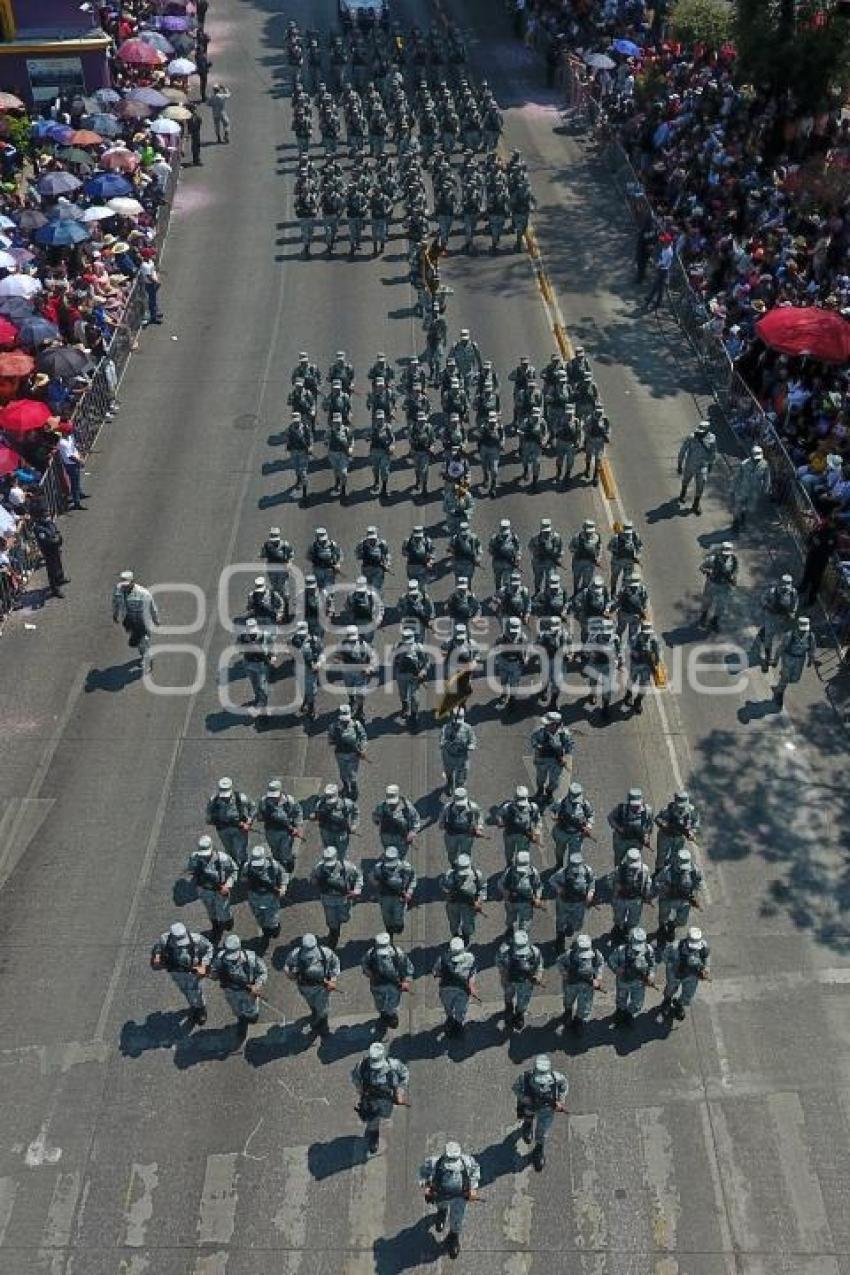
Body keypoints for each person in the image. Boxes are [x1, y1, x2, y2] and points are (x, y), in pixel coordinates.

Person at [419, 1141, 481, 1259]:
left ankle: (453, 1237)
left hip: (459, 1197)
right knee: (441, 1206)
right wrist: (426, 1186)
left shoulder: (467, 1161)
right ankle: (442, 1213)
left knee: (457, 1218)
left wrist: (473, 1188)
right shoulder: (434, 1162)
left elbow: (476, 1170)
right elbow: (423, 1172)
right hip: (441, 1195)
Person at [150, 921, 212, 1026]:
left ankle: (200, 1009)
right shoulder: (165, 939)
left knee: (195, 991)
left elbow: (209, 948)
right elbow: (158, 947)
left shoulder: (196, 939)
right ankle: (193, 1004)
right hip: (176, 972)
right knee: (185, 990)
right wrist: (157, 956)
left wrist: (204, 965)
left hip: (192, 971)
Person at [353, 1042, 410, 1155]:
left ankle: (375, 1124)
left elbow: (405, 1074)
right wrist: (360, 1089)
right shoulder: (362, 1065)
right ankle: (374, 1137)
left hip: (387, 1097)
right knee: (372, 1120)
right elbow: (355, 1077)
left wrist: (400, 1091)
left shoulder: (394, 1065)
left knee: (384, 1113)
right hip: (370, 1097)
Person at [512, 1056, 567, 1171]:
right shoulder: (525, 1077)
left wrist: (560, 1101)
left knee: (542, 1131)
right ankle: (527, 1127)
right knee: (528, 1117)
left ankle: (538, 1149)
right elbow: (515, 1088)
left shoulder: (556, 1078)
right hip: (530, 1105)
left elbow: (564, 1086)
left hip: (546, 1110)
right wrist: (523, 1098)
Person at [210, 933, 268, 1041]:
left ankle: (249, 1017)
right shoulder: (220, 958)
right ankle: (242, 1024)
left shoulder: (250, 957)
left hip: (249, 992)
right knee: (237, 1011)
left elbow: (263, 971)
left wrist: (257, 985)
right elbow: (214, 973)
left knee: (252, 1013)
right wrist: (213, 974)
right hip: (230, 991)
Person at [283, 932, 340, 1037]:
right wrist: (289, 974)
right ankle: (315, 1012)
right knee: (311, 1003)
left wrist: (333, 980)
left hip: (321, 987)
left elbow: (335, 963)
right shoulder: (295, 954)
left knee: (323, 1008)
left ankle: (323, 1025)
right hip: (304, 987)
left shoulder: (325, 953)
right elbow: (287, 965)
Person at [184, 835, 237, 942]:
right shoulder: (194, 857)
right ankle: (216, 928)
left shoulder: (222, 858)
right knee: (211, 911)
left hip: (220, 890)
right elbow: (190, 869)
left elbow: (234, 870)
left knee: (224, 912)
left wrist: (228, 885)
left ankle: (227, 921)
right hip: (204, 890)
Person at [310, 844, 363, 948]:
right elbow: (312, 878)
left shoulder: (346, 866)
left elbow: (359, 876)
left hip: (343, 898)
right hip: (327, 899)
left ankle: (336, 928)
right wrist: (316, 881)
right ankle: (333, 935)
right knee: (332, 922)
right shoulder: (319, 868)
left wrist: (357, 890)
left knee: (344, 918)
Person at [361, 931, 414, 1029]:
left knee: (393, 1004)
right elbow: (365, 967)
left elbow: (408, 967)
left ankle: (392, 1016)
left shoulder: (398, 953)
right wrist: (371, 974)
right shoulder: (370, 954)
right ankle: (383, 1014)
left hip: (394, 985)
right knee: (379, 1003)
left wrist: (406, 981)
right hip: (377, 985)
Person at [240, 844, 288, 952]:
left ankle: (272, 930)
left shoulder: (273, 865)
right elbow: (243, 878)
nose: (257, 867)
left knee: (272, 921)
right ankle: (266, 934)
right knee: (260, 919)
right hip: (255, 897)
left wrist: (283, 888)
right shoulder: (248, 866)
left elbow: (283, 875)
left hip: (270, 897)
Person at [497, 928, 544, 1030]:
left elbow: (539, 965)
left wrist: (538, 976)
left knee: (523, 1000)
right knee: (508, 995)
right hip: (510, 979)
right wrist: (504, 973)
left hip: (526, 982)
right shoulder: (504, 951)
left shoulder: (535, 952)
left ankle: (519, 1014)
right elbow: (498, 962)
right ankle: (509, 1008)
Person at [111, 570, 160, 668]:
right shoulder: (118, 590)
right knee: (138, 640)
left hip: (142, 620)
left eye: (127, 584)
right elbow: (115, 602)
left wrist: (155, 619)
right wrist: (115, 614)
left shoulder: (143, 593)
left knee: (143, 639)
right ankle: (144, 654)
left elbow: (152, 606)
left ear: (132, 582)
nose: (124, 586)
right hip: (128, 620)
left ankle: (147, 657)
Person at [608, 926, 656, 1026]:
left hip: (639, 983)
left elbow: (652, 964)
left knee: (637, 1004)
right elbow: (611, 960)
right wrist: (616, 969)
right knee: (621, 1000)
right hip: (623, 982)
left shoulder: (648, 950)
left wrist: (651, 975)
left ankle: (629, 1014)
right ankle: (620, 1012)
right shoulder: (621, 950)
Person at [550, 851, 596, 951]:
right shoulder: (562, 873)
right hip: (564, 902)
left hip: (579, 903)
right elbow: (552, 880)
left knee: (577, 922)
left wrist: (590, 893)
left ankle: (571, 926)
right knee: (561, 921)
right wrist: (559, 888)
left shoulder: (587, 871)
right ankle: (560, 939)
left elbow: (592, 881)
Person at [558, 933, 605, 1031]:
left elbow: (600, 964)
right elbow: (560, 962)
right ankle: (568, 1012)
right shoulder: (569, 954)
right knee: (568, 1001)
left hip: (587, 985)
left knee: (585, 1006)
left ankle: (578, 1021)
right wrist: (564, 973)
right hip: (571, 984)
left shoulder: (595, 954)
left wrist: (598, 978)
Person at [662, 926, 710, 1019]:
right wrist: (672, 969)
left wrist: (706, 970)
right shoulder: (674, 947)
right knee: (670, 989)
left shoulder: (703, 946)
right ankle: (667, 1001)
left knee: (688, 993)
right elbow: (665, 957)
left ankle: (679, 1004)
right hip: (675, 974)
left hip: (692, 975)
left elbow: (706, 958)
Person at [433, 937, 478, 1036]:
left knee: (448, 1006)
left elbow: (436, 972)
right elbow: (472, 972)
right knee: (461, 1008)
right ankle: (458, 1025)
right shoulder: (470, 958)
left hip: (446, 988)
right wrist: (471, 985)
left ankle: (450, 1019)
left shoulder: (443, 959)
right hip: (463, 989)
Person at [256, 779, 303, 873]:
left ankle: (288, 864)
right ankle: (278, 870)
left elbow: (298, 813)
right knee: (275, 852)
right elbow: (260, 815)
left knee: (285, 852)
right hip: (271, 831)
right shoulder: (264, 801)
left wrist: (298, 827)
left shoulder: (289, 801)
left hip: (286, 832)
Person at [206, 776, 255, 866]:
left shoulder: (240, 798)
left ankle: (242, 870)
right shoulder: (214, 800)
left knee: (240, 853)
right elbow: (208, 817)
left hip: (239, 830)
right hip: (223, 830)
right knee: (230, 852)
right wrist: (214, 819)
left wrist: (248, 821)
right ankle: (233, 870)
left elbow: (253, 808)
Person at [370, 845, 417, 937]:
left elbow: (413, 879)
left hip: (399, 897)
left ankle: (398, 926)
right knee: (386, 916)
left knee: (398, 917)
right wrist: (376, 885)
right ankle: (389, 930)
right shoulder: (378, 868)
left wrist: (409, 892)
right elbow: (372, 877)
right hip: (384, 897)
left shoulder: (405, 867)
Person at [529, 712, 574, 805]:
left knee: (555, 781)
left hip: (556, 762)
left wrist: (562, 754)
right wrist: (539, 747)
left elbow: (570, 747)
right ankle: (540, 790)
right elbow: (533, 741)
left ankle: (549, 792)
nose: (545, 725)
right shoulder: (539, 731)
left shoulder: (564, 734)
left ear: (556, 724)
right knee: (540, 778)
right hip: (542, 759)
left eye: (548, 724)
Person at [327, 703, 368, 800]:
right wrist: (337, 740)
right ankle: (345, 787)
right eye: (343, 719)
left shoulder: (356, 725)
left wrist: (362, 749)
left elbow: (363, 737)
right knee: (343, 772)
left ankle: (354, 788)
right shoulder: (333, 726)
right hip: (340, 754)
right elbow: (330, 740)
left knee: (352, 773)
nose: (344, 722)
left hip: (353, 754)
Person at [758, 574, 799, 669]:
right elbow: (763, 598)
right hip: (771, 618)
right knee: (768, 639)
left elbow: (795, 603)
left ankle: (775, 660)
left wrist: (793, 612)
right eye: (784, 584)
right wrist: (767, 606)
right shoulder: (772, 591)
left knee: (782, 642)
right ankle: (767, 659)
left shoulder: (793, 592)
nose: (785, 587)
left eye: (788, 584)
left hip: (783, 620)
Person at [774, 615, 816, 707]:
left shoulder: (810, 636)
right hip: (788, 658)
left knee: (794, 678)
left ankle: (780, 683)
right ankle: (779, 694)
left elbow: (812, 648)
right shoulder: (789, 635)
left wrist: (810, 659)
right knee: (785, 678)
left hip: (800, 660)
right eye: (802, 628)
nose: (803, 630)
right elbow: (781, 648)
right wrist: (776, 660)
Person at [551, 782, 595, 867]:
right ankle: (559, 865)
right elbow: (553, 810)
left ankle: (570, 871)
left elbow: (591, 815)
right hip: (562, 832)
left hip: (577, 834)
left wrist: (589, 827)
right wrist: (554, 817)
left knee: (574, 856)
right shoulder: (561, 802)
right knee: (559, 852)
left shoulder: (584, 804)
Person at [677, 421, 716, 516]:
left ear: (707, 430)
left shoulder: (712, 439)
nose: (700, 433)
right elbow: (683, 450)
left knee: (701, 485)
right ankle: (682, 494)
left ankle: (696, 504)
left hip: (702, 466)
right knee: (686, 480)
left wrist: (711, 465)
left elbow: (712, 453)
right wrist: (679, 464)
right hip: (690, 464)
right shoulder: (691, 437)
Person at [731, 445, 771, 532]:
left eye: (759, 458)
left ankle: (742, 520)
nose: (757, 460)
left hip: (754, 491)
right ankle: (736, 523)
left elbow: (767, 478)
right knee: (738, 507)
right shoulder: (744, 464)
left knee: (749, 508)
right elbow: (737, 477)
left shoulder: (765, 464)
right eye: (755, 458)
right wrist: (732, 488)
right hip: (742, 489)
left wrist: (766, 489)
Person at [798, 517, 838, 604]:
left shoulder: (833, 535)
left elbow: (830, 549)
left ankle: (811, 599)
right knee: (807, 571)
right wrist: (811, 541)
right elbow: (813, 534)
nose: (827, 521)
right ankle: (803, 587)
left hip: (821, 558)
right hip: (813, 553)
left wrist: (819, 544)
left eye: (830, 521)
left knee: (816, 579)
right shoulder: (822, 526)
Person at [699, 542, 738, 630]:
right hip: (712, 584)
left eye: (728, 554)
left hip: (725, 586)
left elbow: (735, 571)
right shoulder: (713, 559)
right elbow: (702, 567)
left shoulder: (734, 560)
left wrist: (733, 579)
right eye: (724, 554)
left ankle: (714, 622)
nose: (726, 556)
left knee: (721, 605)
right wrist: (709, 571)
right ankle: (703, 618)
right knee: (707, 602)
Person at [372, 784, 421, 851]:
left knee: (401, 857)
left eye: (393, 803)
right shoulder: (382, 806)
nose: (392, 805)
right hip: (386, 837)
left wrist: (413, 832)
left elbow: (416, 819)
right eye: (390, 803)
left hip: (402, 837)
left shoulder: (406, 806)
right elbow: (375, 818)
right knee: (389, 855)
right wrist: (377, 819)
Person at [439, 708, 477, 794]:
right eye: (455, 723)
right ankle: (449, 783)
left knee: (461, 777)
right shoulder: (446, 728)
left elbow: (473, 741)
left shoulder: (468, 728)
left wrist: (470, 746)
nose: (457, 725)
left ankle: (458, 791)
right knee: (448, 772)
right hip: (449, 756)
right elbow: (441, 742)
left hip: (462, 757)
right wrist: (448, 741)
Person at [32, 512, 67, 598]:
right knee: (52, 569)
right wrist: (55, 541)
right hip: (48, 550)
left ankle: (60, 578)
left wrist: (59, 537)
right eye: (44, 515)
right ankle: (55, 589)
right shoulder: (38, 528)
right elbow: (45, 541)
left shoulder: (49, 522)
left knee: (58, 563)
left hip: (55, 547)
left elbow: (56, 530)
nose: (47, 516)